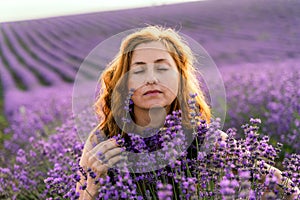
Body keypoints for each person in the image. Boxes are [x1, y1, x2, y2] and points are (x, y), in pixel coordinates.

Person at [76, 25, 299, 199]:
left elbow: (288, 190)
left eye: (163, 68)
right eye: (139, 70)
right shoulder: (102, 140)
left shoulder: (200, 136)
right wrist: (93, 188)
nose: (152, 78)